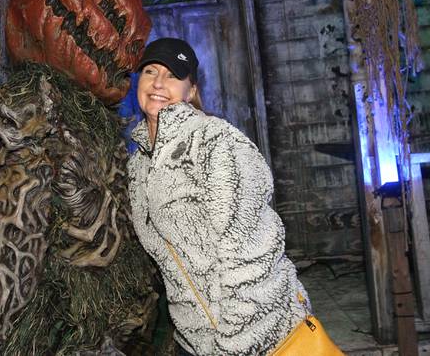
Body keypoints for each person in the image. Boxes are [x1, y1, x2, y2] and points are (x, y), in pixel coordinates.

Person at [127, 37, 313, 355]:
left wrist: (235, 342)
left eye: (172, 75)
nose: (158, 82)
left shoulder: (215, 140)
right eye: (150, 71)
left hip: (262, 335)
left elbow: (253, 256)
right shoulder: (138, 166)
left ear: (192, 91)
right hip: (198, 342)